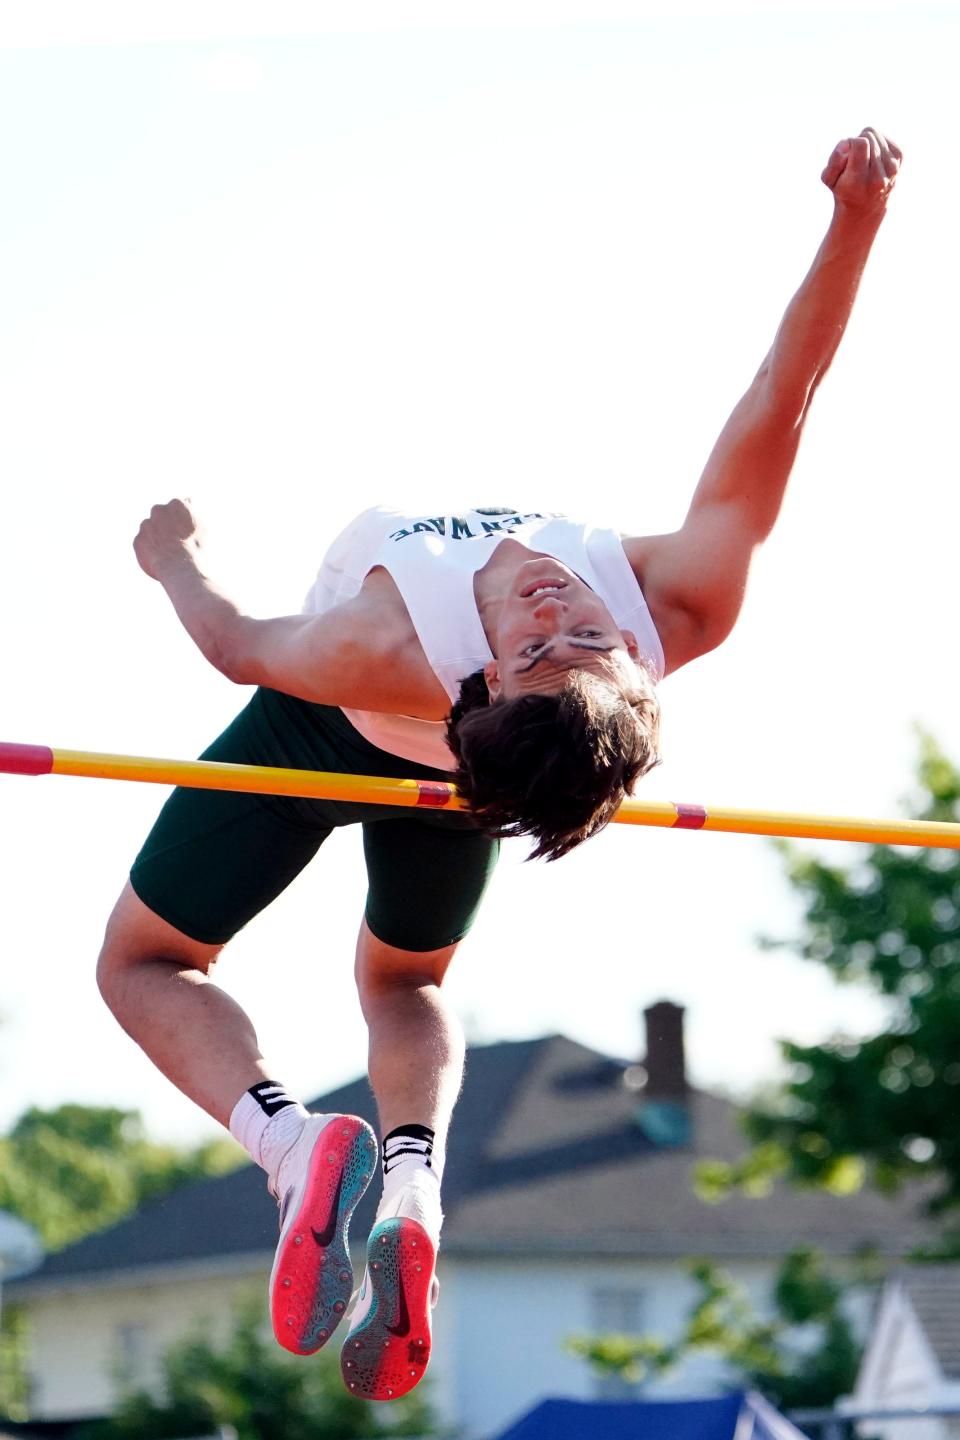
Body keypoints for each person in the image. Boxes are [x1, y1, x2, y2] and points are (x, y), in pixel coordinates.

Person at [97, 127, 900, 1402]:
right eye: (580, 632)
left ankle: (296, 1149)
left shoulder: (384, 643)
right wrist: (857, 224)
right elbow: (781, 405)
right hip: (481, 776)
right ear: (640, 665)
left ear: (483, 682)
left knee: (143, 964)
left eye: (546, 640)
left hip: (347, 731)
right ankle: (410, 1180)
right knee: (405, 981)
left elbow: (241, 647)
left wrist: (172, 556)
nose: (559, 603)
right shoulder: (676, 607)